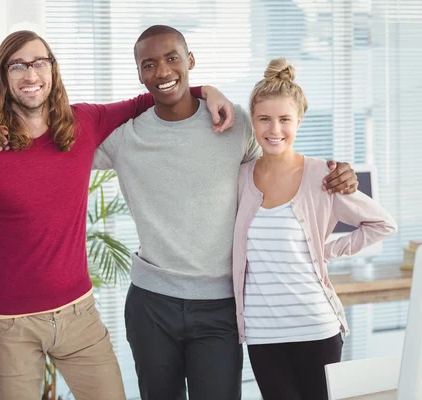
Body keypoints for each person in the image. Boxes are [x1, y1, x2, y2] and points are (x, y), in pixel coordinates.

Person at [91, 25, 360, 400]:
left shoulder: (233, 124)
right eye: (149, 64)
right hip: (152, 304)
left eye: (172, 59)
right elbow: (60, 147)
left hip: (221, 306)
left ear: (190, 61)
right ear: (139, 74)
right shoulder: (125, 139)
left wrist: (337, 173)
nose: (163, 71)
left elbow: (281, 162)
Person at [0, 30, 232, 400]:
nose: (31, 75)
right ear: (3, 75)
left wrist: (206, 90)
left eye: (40, 63)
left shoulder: (83, 124)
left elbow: (151, 98)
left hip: (80, 317)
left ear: (53, 70)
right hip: (12, 326)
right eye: (18, 66)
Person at [232, 58, 398, 400]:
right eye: (264, 119)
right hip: (263, 333)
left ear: (299, 121)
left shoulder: (323, 174)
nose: (274, 129)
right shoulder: (239, 177)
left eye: (284, 120)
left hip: (315, 326)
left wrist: (326, 249)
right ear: (253, 121)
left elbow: (382, 224)